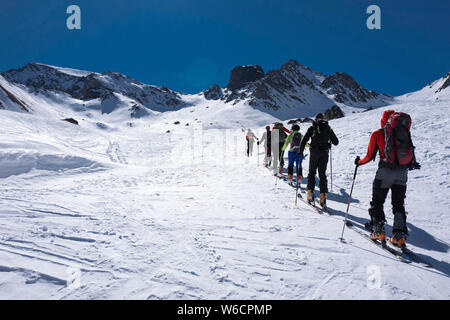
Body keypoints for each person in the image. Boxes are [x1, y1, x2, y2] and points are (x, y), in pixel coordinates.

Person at [355, 110, 420, 247]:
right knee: (398, 204)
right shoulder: (402, 133)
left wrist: (358, 162)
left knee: (378, 201)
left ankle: (378, 230)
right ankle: (399, 236)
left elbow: (368, 156)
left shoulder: (378, 134)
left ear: (383, 120)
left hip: (385, 172)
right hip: (402, 173)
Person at [299, 113, 339, 207]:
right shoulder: (328, 128)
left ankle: (310, 194)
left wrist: (300, 151)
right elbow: (336, 142)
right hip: (324, 153)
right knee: (322, 175)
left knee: (312, 173)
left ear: (316, 119)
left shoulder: (312, 127)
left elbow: (304, 140)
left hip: (314, 153)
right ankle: (323, 197)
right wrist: (328, 143)